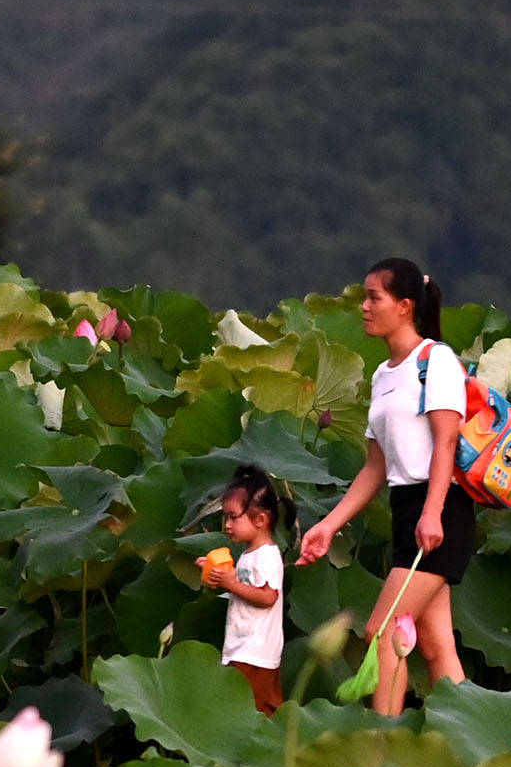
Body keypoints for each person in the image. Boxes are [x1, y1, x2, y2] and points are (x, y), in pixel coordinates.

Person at [295, 257, 470, 717]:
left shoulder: (437, 361)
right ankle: (470, 748)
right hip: (407, 508)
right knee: (433, 646)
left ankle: (382, 745)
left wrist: (433, 513)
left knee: (383, 632)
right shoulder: (384, 375)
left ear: (406, 306)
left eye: (374, 297)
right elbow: (376, 467)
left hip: (442, 506)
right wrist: (328, 526)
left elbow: (446, 440)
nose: (365, 307)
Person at [194, 463, 290, 712]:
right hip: (240, 648)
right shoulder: (249, 555)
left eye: (233, 517)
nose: (227, 524)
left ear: (260, 519)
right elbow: (241, 586)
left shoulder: (268, 556)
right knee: (239, 711)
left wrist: (232, 583)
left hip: (256, 653)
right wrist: (216, 573)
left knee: (251, 714)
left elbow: (268, 597)